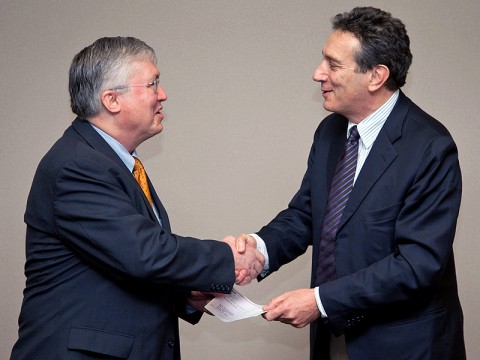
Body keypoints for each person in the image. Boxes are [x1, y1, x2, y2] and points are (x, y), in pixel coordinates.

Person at [10, 36, 263, 360]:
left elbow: (121, 264)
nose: (163, 94)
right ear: (112, 100)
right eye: (152, 84)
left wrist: (187, 295)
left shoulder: (113, 162)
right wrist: (229, 258)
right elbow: (146, 252)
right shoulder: (77, 165)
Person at [236, 6, 465, 360]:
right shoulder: (330, 131)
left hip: (405, 345)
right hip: (335, 337)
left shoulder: (430, 147)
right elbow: (306, 214)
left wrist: (320, 300)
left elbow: (416, 264)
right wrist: (258, 250)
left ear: (376, 76)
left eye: (333, 64)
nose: (318, 74)